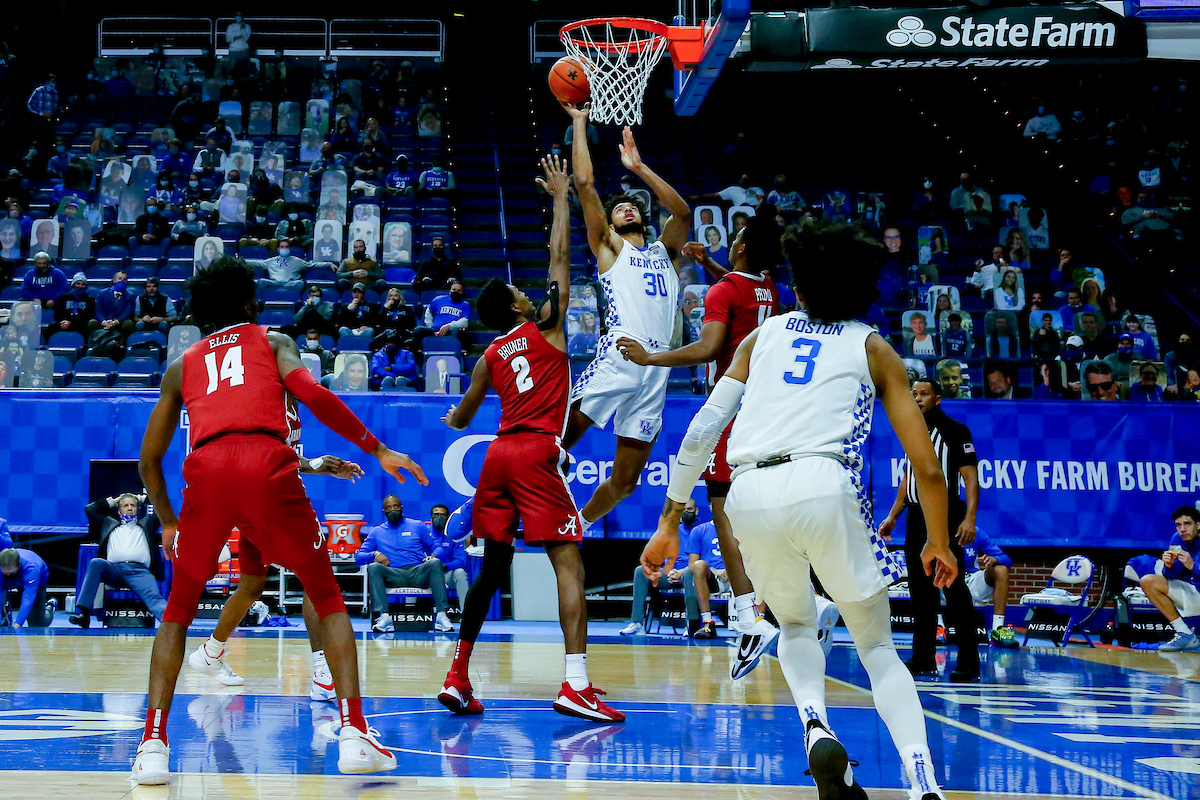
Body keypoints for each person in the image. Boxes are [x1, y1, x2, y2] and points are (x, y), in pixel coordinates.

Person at [640, 220, 957, 800]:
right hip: (823, 480)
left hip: (749, 494)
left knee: (792, 623)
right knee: (877, 646)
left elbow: (704, 429)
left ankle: (815, 728)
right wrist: (937, 540)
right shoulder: (873, 345)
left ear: (800, 286)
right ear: (861, 289)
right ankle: (923, 783)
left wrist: (668, 520)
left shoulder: (760, 338)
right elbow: (928, 468)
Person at [132, 255, 425, 783]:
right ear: (248, 302)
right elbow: (313, 395)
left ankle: (153, 743)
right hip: (269, 467)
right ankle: (355, 733)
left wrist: (169, 521)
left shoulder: (182, 366)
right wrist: (378, 448)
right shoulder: (271, 340)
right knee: (326, 594)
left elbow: (148, 459)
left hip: (208, 473)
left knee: (178, 610)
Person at [436, 155, 624, 723]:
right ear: (518, 306)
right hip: (538, 449)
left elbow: (463, 420)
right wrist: (562, 197)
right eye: (521, 291)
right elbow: (561, 256)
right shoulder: (549, 328)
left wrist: (449, 421)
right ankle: (575, 684)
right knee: (570, 564)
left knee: (492, 569)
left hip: (496, 455)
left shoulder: (490, 355)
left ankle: (457, 675)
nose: (527, 292)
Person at [614, 216, 782, 675]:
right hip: (766, 408)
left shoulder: (723, 291)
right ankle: (791, 605)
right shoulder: (768, 285)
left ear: (742, 247)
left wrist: (652, 357)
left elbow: (709, 348)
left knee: (721, 510)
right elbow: (740, 293)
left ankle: (750, 618)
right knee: (759, 512)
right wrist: (709, 263)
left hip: (730, 408)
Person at [562, 104, 690, 537]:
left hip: (656, 371)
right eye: (619, 209)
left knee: (626, 482)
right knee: (553, 447)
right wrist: (580, 123)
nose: (627, 209)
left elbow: (684, 214)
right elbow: (584, 183)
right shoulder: (611, 248)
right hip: (618, 358)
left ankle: (577, 524)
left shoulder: (664, 253)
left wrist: (639, 168)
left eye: (634, 206)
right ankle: (485, 503)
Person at [879, 378, 983, 682]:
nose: (917, 398)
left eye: (923, 394)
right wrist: (893, 515)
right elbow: (909, 476)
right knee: (920, 591)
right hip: (914, 515)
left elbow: (970, 477)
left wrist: (970, 518)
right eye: (913, 394)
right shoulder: (913, 430)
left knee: (953, 588)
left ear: (937, 398)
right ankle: (923, 657)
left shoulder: (955, 430)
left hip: (947, 513)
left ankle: (969, 661)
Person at [356, 497, 454, 632]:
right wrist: (375, 554)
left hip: (417, 573)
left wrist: (433, 556)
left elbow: (438, 548)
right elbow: (358, 558)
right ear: (384, 511)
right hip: (394, 574)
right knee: (373, 567)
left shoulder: (417, 526)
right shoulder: (377, 532)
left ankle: (442, 615)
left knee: (435, 563)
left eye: (396, 506)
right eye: (389, 507)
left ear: (401, 507)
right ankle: (384, 617)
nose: (393, 509)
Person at [70, 493, 168, 627]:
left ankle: (170, 623)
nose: (129, 508)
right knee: (96, 563)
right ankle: (84, 614)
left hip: (139, 572)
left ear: (137, 509)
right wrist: (113, 500)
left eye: (133, 505)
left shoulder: (147, 524)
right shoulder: (108, 523)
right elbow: (90, 509)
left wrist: (142, 498)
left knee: (154, 599)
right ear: (119, 510)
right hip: (114, 570)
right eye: (125, 505)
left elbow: (162, 508)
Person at [619, 497, 703, 636]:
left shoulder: (701, 531)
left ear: (696, 511)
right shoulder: (671, 530)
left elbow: (702, 561)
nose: (685, 513)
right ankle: (637, 623)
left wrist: (681, 572)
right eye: (682, 510)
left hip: (690, 574)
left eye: (689, 510)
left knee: (690, 572)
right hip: (670, 573)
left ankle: (691, 625)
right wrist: (670, 572)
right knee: (640, 571)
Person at [1126, 507, 1200, 651]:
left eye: (1187, 524)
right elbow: (1171, 576)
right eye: (1178, 525)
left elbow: (1193, 568)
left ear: (1198, 525)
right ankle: (1185, 634)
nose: (1182, 529)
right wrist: (1169, 566)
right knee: (1148, 581)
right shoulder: (1177, 539)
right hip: (1193, 591)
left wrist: (1192, 566)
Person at [963, 529, 1017, 648]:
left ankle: (998, 629)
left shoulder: (974, 532)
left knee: (1001, 570)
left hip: (970, 581)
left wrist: (995, 559)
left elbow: (1006, 559)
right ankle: (938, 626)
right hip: (945, 580)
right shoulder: (937, 530)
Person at [244, 239, 335, 295]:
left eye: (286, 247)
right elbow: (256, 263)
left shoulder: (297, 260)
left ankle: (288, 294)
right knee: (262, 282)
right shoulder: (271, 261)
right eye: (282, 247)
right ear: (278, 249)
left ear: (289, 248)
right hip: (274, 283)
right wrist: (239, 260)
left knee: (300, 283)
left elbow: (312, 264)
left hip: (290, 284)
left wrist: (329, 264)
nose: (284, 248)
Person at [0, 548, 55, 628]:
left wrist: (18, 624)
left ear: (19, 565)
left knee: (37, 625)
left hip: (38, 578)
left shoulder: (31, 569)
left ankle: (50, 606)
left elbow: (28, 599)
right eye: (5, 573)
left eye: (11, 573)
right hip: (4, 580)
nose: (8, 575)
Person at [429, 503, 469, 611]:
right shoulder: (425, 533)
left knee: (460, 572)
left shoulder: (455, 534)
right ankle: (409, 612)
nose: (439, 518)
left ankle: (465, 613)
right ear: (431, 517)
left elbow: (461, 561)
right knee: (410, 572)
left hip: (447, 573)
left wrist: (444, 566)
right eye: (436, 515)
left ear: (448, 517)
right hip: (427, 574)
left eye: (443, 515)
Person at [90, 271, 136, 335]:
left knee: (129, 323)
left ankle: (123, 344)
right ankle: (93, 343)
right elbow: (98, 311)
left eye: (124, 279)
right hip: (105, 321)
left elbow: (127, 312)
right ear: (114, 280)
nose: (122, 281)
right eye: (120, 278)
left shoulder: (130, 296)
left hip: (120, 322)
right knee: (92, 322)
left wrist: (116, 322)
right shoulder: (102, 293)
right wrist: (104, 322)